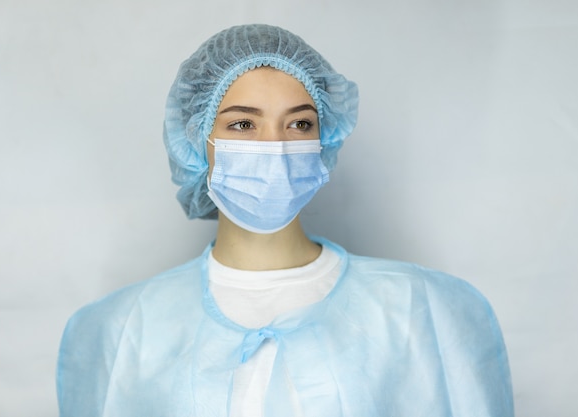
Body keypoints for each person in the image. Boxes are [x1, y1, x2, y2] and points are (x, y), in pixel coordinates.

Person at [56, 24, 514, 417]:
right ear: (197, 142)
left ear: (325, 138)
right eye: (242, 125)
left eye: (299, 124)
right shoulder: (121, 330)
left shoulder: (422, 310)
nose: (275, 145)